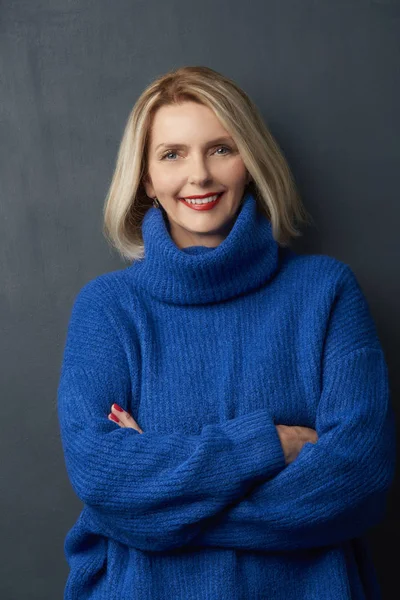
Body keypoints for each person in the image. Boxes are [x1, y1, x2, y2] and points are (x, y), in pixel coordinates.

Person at [57, 65, 396, 599]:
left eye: (221, 149)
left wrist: (157, 514)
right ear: (146, 177)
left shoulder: (326, 292)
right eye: (172, 154)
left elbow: (359, 479)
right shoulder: (108, 308)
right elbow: (102, 478)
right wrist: (266, 446)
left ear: (252, 161)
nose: (199, 176)